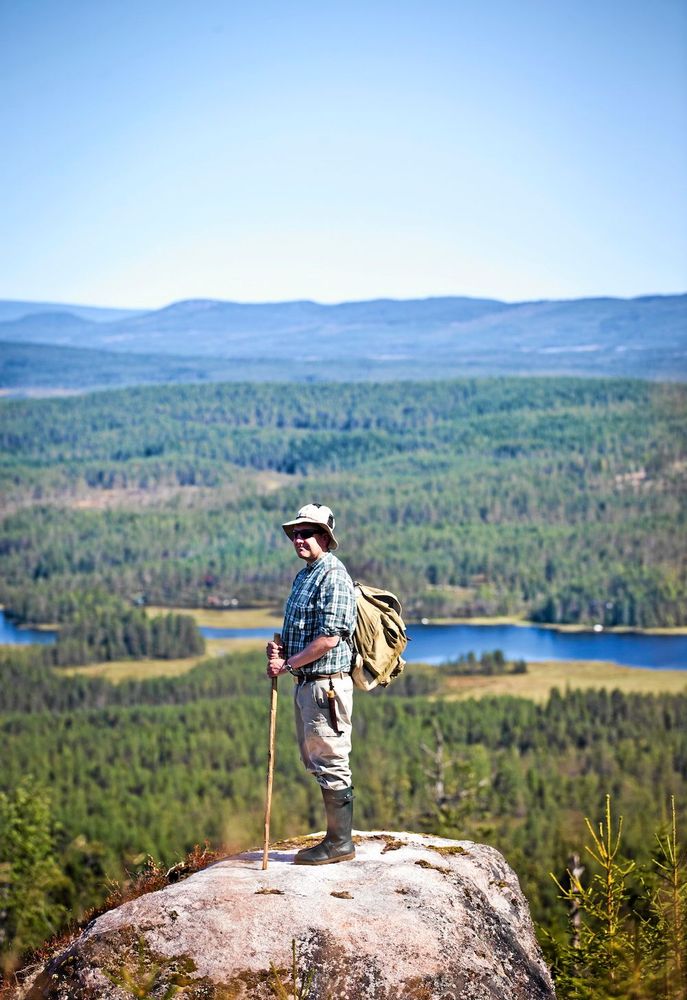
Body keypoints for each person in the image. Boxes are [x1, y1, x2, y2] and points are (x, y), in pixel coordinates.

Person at [266, 503, 357, 865]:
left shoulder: (333, 576)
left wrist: (288, 664)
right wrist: (283, 651)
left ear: (325, 537)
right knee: (317, 759)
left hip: (326, 687)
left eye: (306, 533)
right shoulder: (305, 575)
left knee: (331, 758)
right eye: (295, 534)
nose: (298, 539)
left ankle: (339, 843)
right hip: (308, 684)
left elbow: (329, 638)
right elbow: (305, 633)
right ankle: (334, 839)